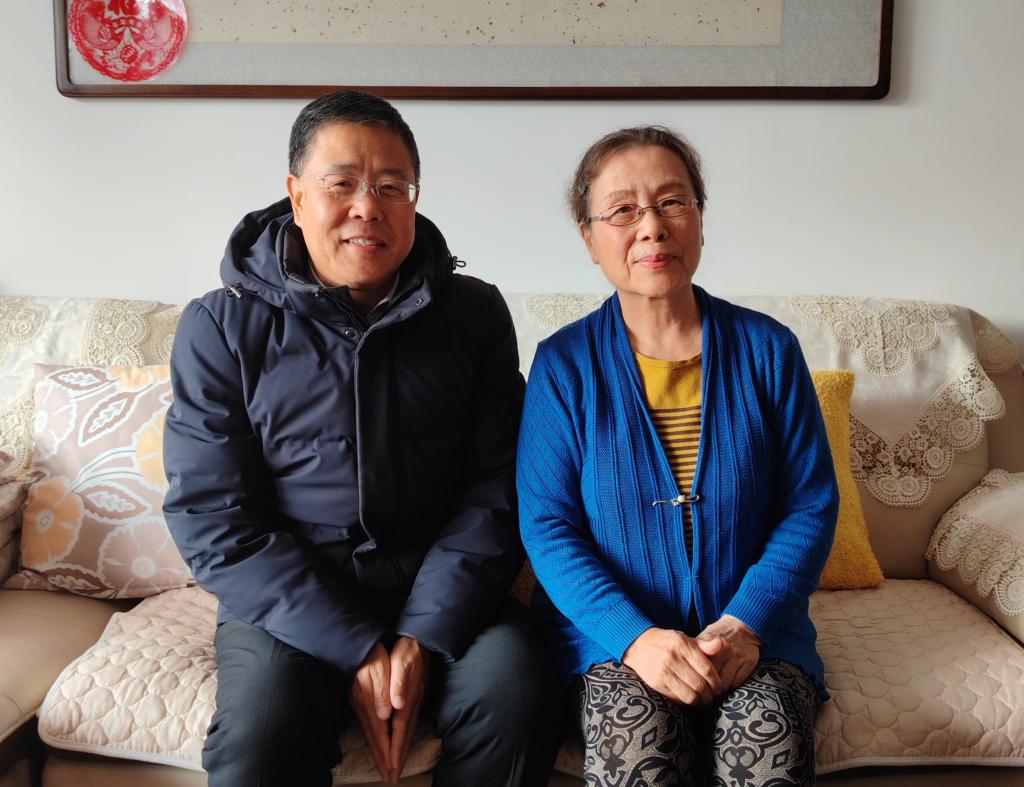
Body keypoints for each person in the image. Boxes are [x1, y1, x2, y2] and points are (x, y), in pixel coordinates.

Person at [163, 90, 563, 787]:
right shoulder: (221, 326)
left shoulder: (473, 313)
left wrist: (422, 636)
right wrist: (353, 646)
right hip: (291, 596)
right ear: (296, 195)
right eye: (341, 183)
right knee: (262, 733)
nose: (366, 208)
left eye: (390, 187)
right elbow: (214, 513)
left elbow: (498, 487)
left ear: (413, 199)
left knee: (518, 695)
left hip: (446, 587)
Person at [517, 126, 839, 786]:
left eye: (672, 202)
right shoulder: (563, 366)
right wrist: (635, 638)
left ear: (699, 218)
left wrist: (746, 624)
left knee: (767, 751)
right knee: (639, 752)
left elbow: (809, 506)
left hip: (756, 634)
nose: (652, 227)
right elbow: (548, 528)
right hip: (612, 641)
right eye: (622, 210)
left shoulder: (769, 350)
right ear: (590, 238)